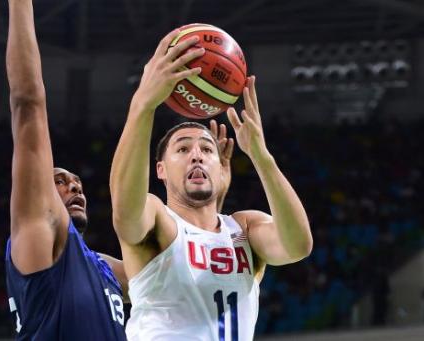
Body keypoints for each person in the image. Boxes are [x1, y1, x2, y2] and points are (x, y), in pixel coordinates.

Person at [110, 29, 313, 340]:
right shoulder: (157, 221)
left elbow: (298, 245)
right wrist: (143, 106)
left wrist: (261, 156)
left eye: (207, 150)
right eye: (182, 148)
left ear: (222, 170)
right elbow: (125, 209)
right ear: (160, 170)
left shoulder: (244, 228)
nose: (196, 156)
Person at [3, 1, 126, 339]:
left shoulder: (101, 266)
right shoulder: (37, 228)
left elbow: (168, 274)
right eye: (60, 181)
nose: (76, 188)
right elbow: (27, 103)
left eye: (78, 183)